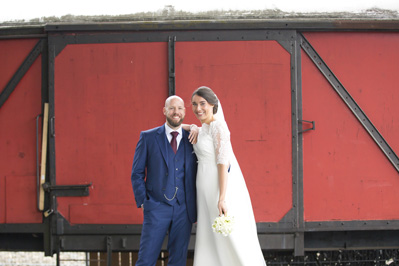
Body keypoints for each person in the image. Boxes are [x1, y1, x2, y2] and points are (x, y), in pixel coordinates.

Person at [191, 86, 266, 266]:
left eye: (202, 103)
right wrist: (192, 126)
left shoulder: (219, 127)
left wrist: (222, 198)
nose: (198, 108)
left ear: (213, 104)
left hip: (217, 187)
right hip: (204, 190)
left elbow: (223, 162)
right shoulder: (204, 128)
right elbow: (192, 130)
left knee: (229, 237)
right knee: (209, 235)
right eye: (194, 104)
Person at [131, 95, 198, 266]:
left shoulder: (193, 139)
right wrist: (144, 202)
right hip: (156, 207)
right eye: (172, 108)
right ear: (164, 111)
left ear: (185, 111)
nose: (176, 112)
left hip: (184, 209)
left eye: (180, 108)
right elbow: (137, 172)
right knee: (146, 260)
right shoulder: (148, 137)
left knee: (178, 261)